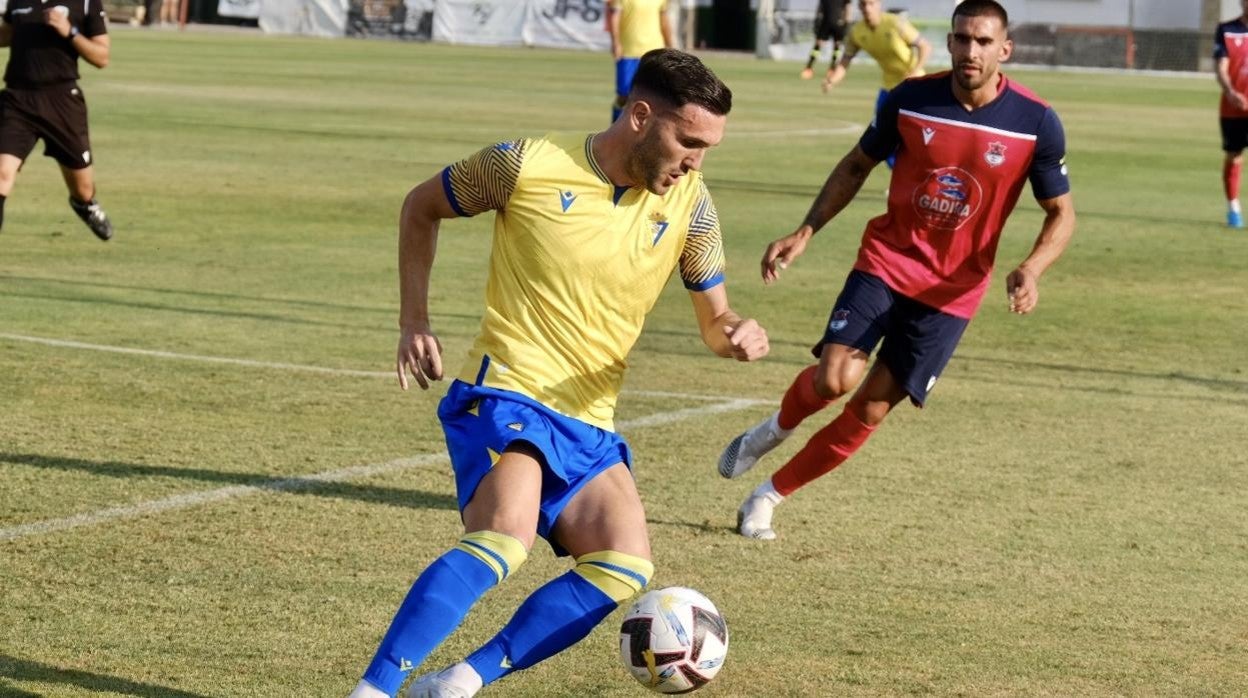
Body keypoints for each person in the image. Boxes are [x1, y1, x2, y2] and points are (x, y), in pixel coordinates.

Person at [348, 48, 768, 698]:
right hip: (506, 390)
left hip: (587, 418)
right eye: (688, 141)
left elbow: (716, 320)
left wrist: (735, 333)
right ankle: (372, 691)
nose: (696, 160)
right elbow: (420, 206)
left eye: (708, 147)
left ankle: (458, 682)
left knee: (623, 566)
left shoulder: (694, 206)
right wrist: (414, 321)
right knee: (505, 536)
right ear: (639, 115)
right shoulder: (526, 166)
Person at [717, 0, 1076, 541]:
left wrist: (1033, 267)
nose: (970, 51)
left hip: (952, 293)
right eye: (961, 39)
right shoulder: (910, 100)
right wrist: (806, 229)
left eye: (982, 42)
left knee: (870, 409)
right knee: (835, 377)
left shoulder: (1035, 121)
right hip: (887, 262)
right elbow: (857, 164)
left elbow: (1061, 212)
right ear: (950, 42)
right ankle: (775, 428)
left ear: (1005, 49)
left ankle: (767, 497)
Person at [0, 0, 113, 240]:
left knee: (82, 189)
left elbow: (102, 57)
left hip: (62, 102)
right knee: (1, 174)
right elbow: (8, 34)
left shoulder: (85, 3)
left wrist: (69, 31)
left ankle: (85, 204)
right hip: (17, 100)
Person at [822, 0, 931, 167]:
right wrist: (832, 79)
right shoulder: (857, 32)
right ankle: (900, 179)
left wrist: (916, 70)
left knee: (919, 139)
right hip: (888, 89)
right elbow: (845, 60)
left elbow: (925, 46)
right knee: (881, 139)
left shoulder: (895, 23)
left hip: (913, 87)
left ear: (879, 4)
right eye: (863, 5)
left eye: (871, 4)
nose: (867, 8)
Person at [607, 0, 672, 123]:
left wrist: (670, 45)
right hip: (628, 51)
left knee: (654, 94)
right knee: (624, 95)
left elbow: (664, 20)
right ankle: (615, 127)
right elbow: (614, 17)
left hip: (654, 50)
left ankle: (645, 132)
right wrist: (615, 42)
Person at [1214, 0, 1248, 228]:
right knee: (1234, 156)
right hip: (1234, 108)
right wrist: (1231, 92)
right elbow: (1221, 68)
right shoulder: (1227, 30)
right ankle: (1233, 208)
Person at [801, 0, 852, 82]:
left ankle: (832, 69)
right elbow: (820, 6)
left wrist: (847, 23)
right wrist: (817, 19)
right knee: (818, 44)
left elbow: (847, 7)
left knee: (837, 46)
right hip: (825, 22)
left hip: (838, 22)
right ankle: (808, 68)